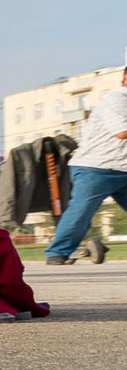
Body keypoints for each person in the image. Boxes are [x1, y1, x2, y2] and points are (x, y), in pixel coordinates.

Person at [44, 45, 127, 265]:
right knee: (81, 211)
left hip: (124, 169)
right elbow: (122, 132)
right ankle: (57, 252)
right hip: (96, 168)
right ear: (125, 79)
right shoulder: (116, 100)